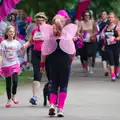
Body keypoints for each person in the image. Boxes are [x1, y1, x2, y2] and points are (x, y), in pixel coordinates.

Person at [40, 10, 77, 117]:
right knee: (64, 85)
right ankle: (60, 108)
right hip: (65, 62)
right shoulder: (67, 37)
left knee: (54, 84)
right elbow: (73, 52)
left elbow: (43, 52)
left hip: (52, 63)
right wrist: (70, 61)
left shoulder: (49, 38)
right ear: (63, 24)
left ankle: (52, 105)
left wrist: (42, 65)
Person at [23, 12, 49, 105]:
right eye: (37, 22)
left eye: (40, 22)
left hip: (47, 54)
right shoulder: (34, 30)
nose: (38, 24)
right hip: (36, 53)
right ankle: (34, 97)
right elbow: (30, 41)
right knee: (37, 75)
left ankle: (52, 95)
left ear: (45, 21)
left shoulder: (50, 29)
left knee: (50, 75)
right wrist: (25, 46)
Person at [0, 25, 25, 107]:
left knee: (15, 81)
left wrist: (23, 49)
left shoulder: (16, 43)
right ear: (7, 33)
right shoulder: (3, 43)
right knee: (8, 83)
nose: (12, 33)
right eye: (10, 31)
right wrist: (0, 65)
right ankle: (8, 100)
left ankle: (14, 95)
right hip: (6, 64)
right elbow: (1, 55)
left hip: (14, 63)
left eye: (13, 32)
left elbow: (21, 53)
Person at [102, 13, 120, 81]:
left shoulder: (117, 27)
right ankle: (112, 75)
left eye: (112, 17)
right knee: (111, 60)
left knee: (116, 61)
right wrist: (104, 45)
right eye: (109, 17)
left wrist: (115, 39)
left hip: (116, 46)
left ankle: (116, 72)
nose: (110, 19)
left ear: (114, 18)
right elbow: (105, 38)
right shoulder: (106, 27)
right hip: (108, 46)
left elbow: (119, 37)